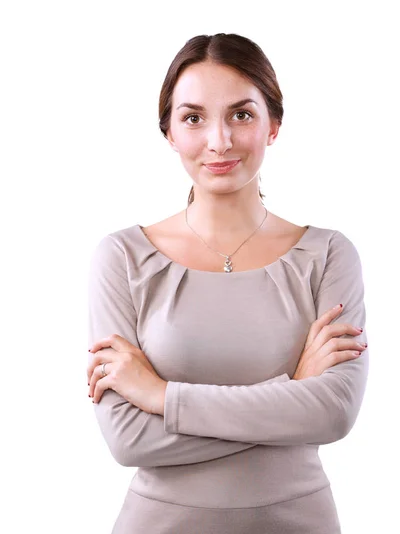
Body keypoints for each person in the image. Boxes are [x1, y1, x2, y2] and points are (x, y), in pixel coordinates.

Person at [87, 33, 369, 533]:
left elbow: (334, 413)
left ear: (273, 125)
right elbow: (129, 440)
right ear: (169, 132)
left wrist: (160, 396)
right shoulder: (123, 257)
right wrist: (294, 394)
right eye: (193, 118)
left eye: (242, 114)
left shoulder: (327, 255)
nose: (219, 141)